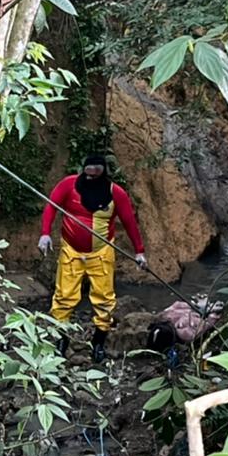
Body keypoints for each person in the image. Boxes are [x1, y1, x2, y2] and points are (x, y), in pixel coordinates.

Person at [38, 154, 146, 364]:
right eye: (87, 174)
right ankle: (61, 345)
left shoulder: (117, 194)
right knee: (64, 297)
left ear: (103, 172)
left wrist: (139, 251)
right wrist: (45, 233)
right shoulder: (69, 185)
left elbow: (130, 222)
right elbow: (51, 206)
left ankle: (98, 345)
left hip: (101, 253)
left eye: (95, 174)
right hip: (71, 251)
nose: (90, 178)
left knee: (104, 300)